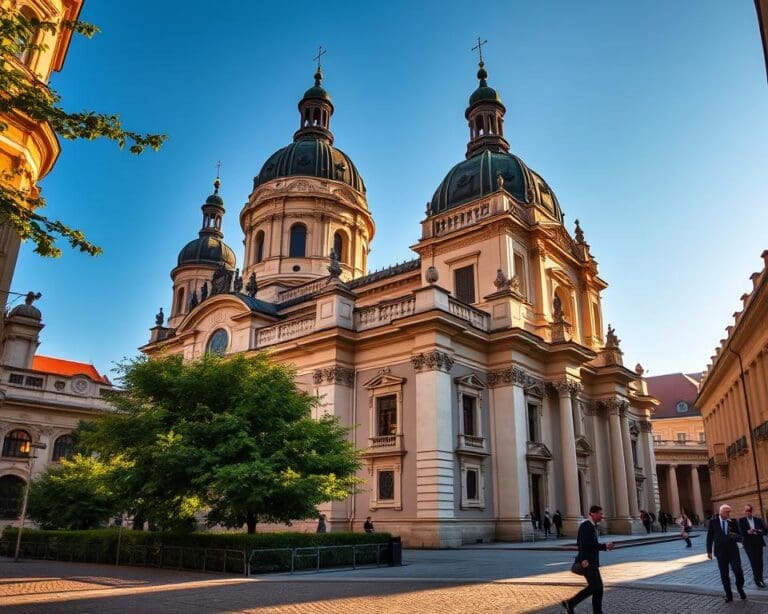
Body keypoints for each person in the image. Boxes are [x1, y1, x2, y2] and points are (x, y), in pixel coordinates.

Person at [561, 505, 615, 614]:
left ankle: (596, 611)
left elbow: (585, 544)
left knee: (598, 588)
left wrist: (603, 547)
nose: (601, 516)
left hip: (591, 561)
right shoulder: (586, 526)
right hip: (587, 562)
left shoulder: (592, 526)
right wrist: (604, 547)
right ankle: (571, 603)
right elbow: (584, 544)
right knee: (595, 587)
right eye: (600, 514)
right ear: (593, 514)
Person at [706, 503, 746, 603]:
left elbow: (740, 536)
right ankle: (729, 596)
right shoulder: (713, 522)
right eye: (727, 512)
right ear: (721, 512)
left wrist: (734, 535)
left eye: (729, 512)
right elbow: (709, 536)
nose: (729, 513)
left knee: (738, 571)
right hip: (720, 552)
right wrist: (709, 551)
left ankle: (739, 586)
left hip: (733, 551)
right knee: (724, 574)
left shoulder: (733, 522)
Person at [738, 503, 766, 587]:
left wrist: (757, 531)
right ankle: (757, 580)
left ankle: (760, 579)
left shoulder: (758, 520)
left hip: (758, 543)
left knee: (760, 561)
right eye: (746, 510)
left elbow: (764, 531)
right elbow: (741, 532)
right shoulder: (742, 520)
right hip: (749, 544)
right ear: (744, 511)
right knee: (754, 562)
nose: (747, 512)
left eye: (749, 510)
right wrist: (747, 532)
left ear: (751, 511)